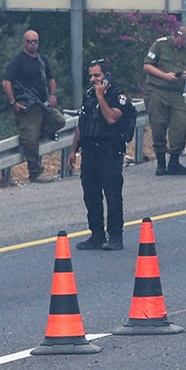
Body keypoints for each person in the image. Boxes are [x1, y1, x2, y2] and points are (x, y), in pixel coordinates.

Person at [75, 60, 133, 249]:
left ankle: (115, 236)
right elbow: (82, 123)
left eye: (97, 75)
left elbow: (111, 118)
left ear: (106, 76)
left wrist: (102, 97)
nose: (93, 79)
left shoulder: (118, 96)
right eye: (90, 76)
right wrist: (73, 150)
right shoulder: (90, 95)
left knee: (112, 195)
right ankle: (96, 235)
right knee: (91, 195)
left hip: (109, 151)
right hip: (90, 151)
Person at [141, 25, 186, 174]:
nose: (180, 44)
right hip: (157, 90)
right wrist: (165, 75)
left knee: (180, 125)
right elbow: (147, 66)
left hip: (176, 93)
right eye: (178, 40)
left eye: (183, 42)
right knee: (158, 126)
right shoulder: (160, 44)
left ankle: (174, 161)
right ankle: (161, 164)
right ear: (174, 36)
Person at [1, 30, 61, 183]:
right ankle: (35, 172)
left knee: (59, 121)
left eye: (35, 41)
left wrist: (53, 94)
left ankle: (36, 135)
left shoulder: (42, 61)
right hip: (27, 106)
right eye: (30, 41)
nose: (33, 44)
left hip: (41, 103)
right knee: (30, 139)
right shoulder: (18, 61)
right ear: (24, 43)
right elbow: (6, 82)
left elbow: (51, 78)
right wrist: (13, 102)